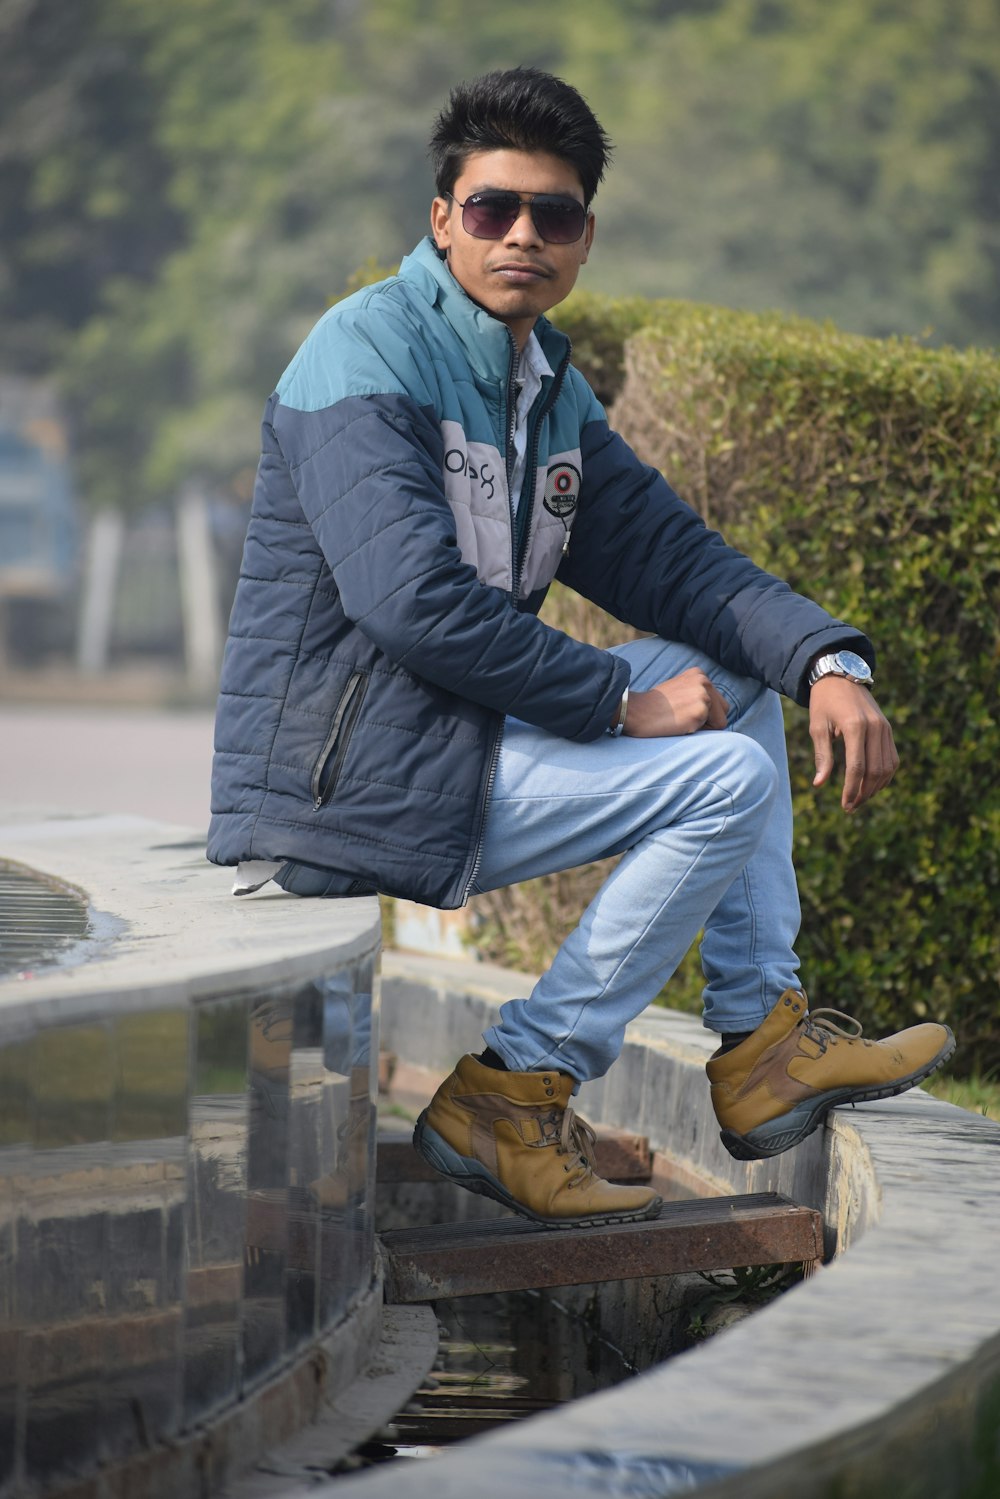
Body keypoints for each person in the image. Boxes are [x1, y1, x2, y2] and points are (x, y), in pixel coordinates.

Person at [208, 66, 954, 1230]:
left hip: (450, 748)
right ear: (443, 217)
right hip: (340, 791)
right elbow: (412, 604)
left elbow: (683, 566)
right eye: (493, 208)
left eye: (551, 215)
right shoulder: (363, 356)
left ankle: (763, 1042)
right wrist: (619, 701)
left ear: (585, 235)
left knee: (742, 675)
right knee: (722, 775)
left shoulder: (542, 386)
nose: (522, 236)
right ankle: (516, 1090)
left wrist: (829, 662)